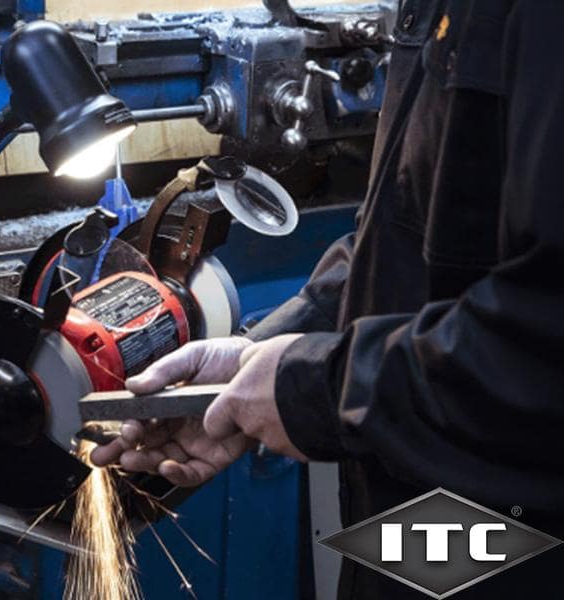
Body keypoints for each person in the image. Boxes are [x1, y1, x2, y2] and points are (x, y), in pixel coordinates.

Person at [92, 1, 564, 597]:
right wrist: (256, 360)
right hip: (430, 506)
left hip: (525, 533)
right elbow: (407, 228)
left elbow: (543, 345)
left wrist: (315, 387)